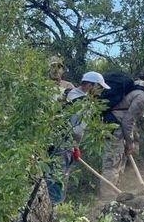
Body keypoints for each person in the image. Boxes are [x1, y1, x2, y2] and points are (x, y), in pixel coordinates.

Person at [100, 69, 144, 198]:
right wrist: (129, 143)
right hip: (115, 127)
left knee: (119, 161)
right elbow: (128, 121)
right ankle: (107, 198)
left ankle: (115, 193)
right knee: (113, 163)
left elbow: (137, 113)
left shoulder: (139, 85)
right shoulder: (142, 96)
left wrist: (143, 124)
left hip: (116, 125)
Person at [46, 71, 111, 204]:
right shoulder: (85, 104)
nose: (101, 92)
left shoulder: (66, 92)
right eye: (99, 87)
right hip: (64, 145)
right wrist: (75, 146)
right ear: (89, 85)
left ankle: (42, 205)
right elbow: (77, 131)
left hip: (50, 140)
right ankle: (54, 207)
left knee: (47, 173)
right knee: (59, 176)